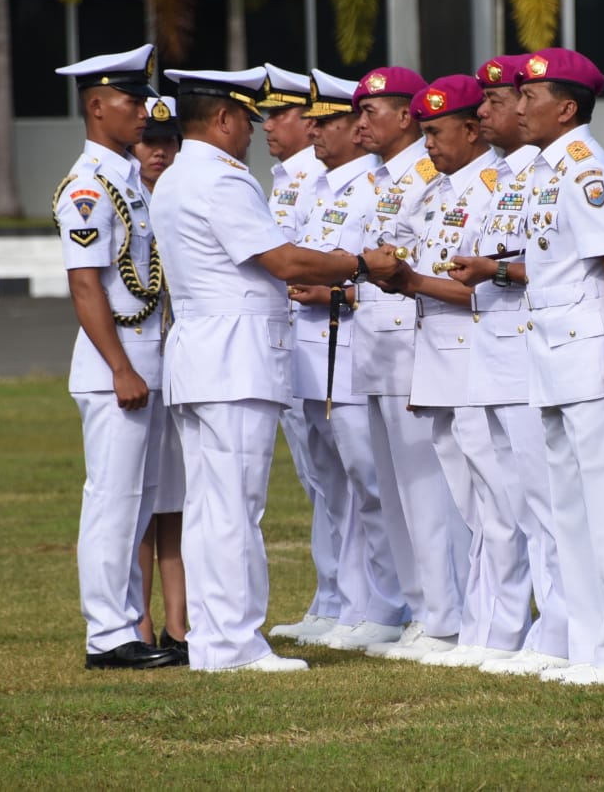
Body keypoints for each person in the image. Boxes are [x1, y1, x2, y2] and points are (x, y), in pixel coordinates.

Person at [151, 65, 402, 672]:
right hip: (235, 358)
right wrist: (360, 264)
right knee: (237, 506)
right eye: (247, 119)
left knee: (213, 508)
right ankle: (236, 644)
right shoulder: (222, 181)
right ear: (223, 118)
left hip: (198, 357)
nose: (251, 131)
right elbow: (284, 260)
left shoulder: (176, 177)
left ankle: (213, 640)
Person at [451, 47, 604, 687]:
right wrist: (497, 270)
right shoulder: (543, 171)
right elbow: (549, 265)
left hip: (598, 361)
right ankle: (589, 645)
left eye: (530, 96)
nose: (517, 105)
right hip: (550, 360)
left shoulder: (585, 167)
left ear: (566, 108)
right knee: (569, 513)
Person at [385, 75, 533, 669]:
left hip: (481, 360)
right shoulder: (436, 191)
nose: (427, 146)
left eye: (436, 133)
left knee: (501, 505)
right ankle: (479, 624)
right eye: (421, 134)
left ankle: (506, 631)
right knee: (470, 507)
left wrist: (412, 281)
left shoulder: (500, 186)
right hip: (442, 364)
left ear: (472, 129)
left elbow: (489, 285)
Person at [51, 44, 187, 670]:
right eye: (131, 102)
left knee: (139, 502)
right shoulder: (87, 187)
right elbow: (86, 285)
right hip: (119, 369)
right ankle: (106, 635)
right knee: (113, 499)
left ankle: (127, 627)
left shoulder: (128, 179)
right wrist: (121, 367)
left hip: (147, 362)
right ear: (97, 106)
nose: (142, 112)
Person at [349, 67, 471, 662]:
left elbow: (415, 257)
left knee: (428, 489)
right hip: (374, 340)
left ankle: (446, 615)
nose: (361, 122)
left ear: (407, 116)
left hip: (411, 337)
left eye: (374, 111)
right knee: (393, 489)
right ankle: (421, 608)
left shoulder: (428, 176)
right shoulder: (375, 177)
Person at [289, 70, 407, 652]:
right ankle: (349, 602)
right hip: (314, 354)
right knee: (333, 488)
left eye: (327, 121)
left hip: (356, 349)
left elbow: (386, 274)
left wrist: (333, 292)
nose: (316, 130)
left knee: (371, 483)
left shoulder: (371, 186)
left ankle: (386, 603)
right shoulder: (323, 185)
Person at [461, 55, 569, 676]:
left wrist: (491, 270)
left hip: (535, 350)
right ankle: (543, 629)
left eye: (500, 101)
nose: (489, 111)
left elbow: (556, 265)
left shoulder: (545, 172)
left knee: (549, 503)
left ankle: (559, 632)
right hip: (499, 352)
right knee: (522, 504)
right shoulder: (507, 174)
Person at [256, 65, 339, 643]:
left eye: (280, 113)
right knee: (319, 482)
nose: (271, 124)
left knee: (342, 481)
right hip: (291, 336)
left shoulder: (319, 173)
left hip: (323, 334)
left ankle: (354, 600)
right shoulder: (286, 175)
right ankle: (332, 597)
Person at [129, 94, 188, 653]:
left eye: (168, 141)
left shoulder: (185, 195)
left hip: (186, 364)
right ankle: (138, 625)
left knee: (178, 498)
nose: (158, 152)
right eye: (148, 140)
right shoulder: (126, 203)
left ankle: (179, 624)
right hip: (146, 363)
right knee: (143, 503)